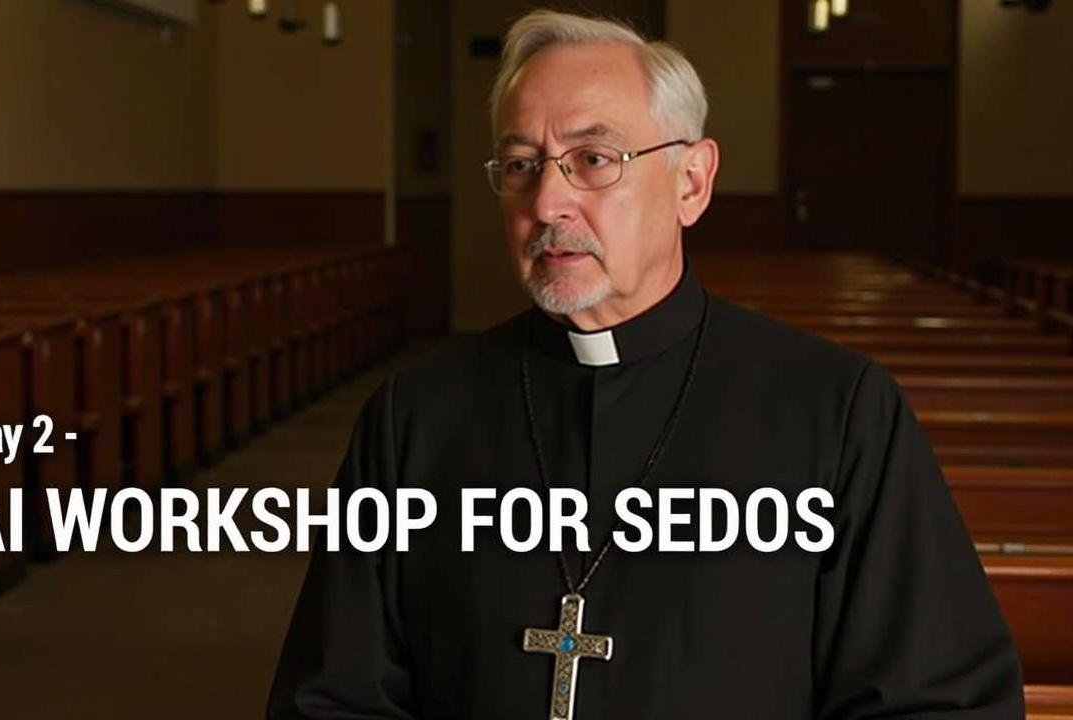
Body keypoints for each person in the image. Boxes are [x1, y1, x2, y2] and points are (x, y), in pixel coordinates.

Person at [267, 9, 1023, 719]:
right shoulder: (415, 416)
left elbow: (941, 702)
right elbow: (331, 696)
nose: (549, 202)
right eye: (522, 165)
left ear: (692, 181)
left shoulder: (839, 412)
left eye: (592, 159)